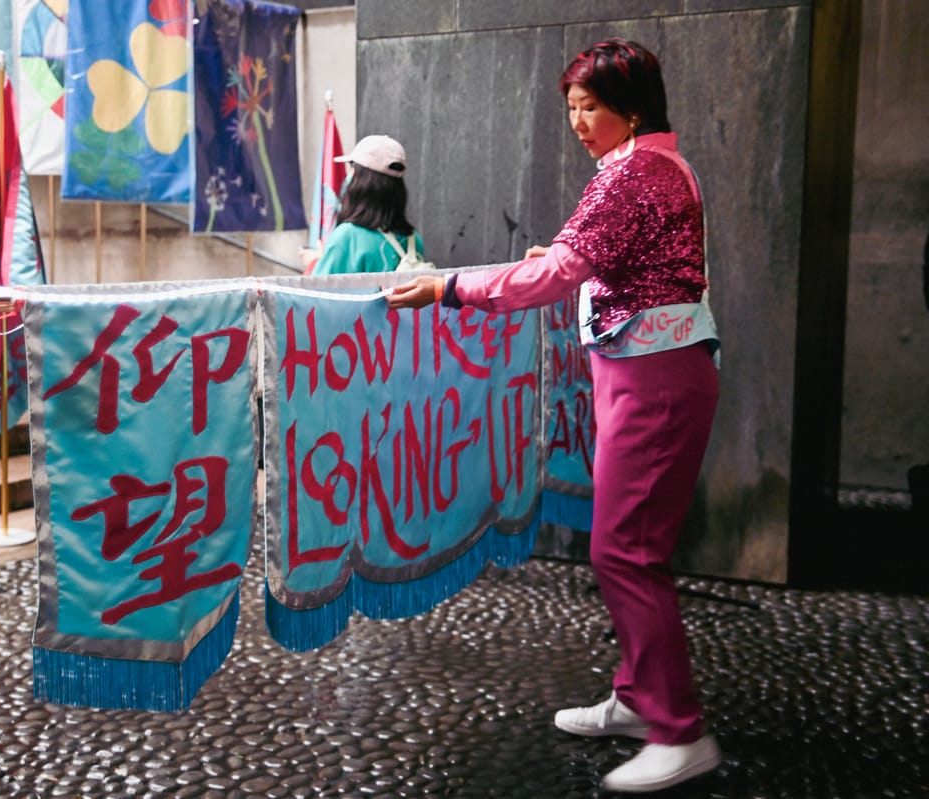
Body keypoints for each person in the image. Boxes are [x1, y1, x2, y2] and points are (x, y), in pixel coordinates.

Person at [387, 39, 722, 793]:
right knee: (631, 545)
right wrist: (558, 262)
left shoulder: (631, 176)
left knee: (625, 551)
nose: (577, 123)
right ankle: (640, 700)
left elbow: (559, 272)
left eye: (589, 108)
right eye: (570, 108)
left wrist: (447, 288)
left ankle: (679, 729)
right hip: (649, 372)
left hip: (654, 379)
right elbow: (608, 263)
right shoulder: (657, 166)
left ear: (630, 110)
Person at [301, 134, 425, 275]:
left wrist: (314, 263)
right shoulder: (413, 239)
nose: (349, 175)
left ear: (362, 182)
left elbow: (318, 292)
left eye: (353, 168)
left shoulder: (347, 237)